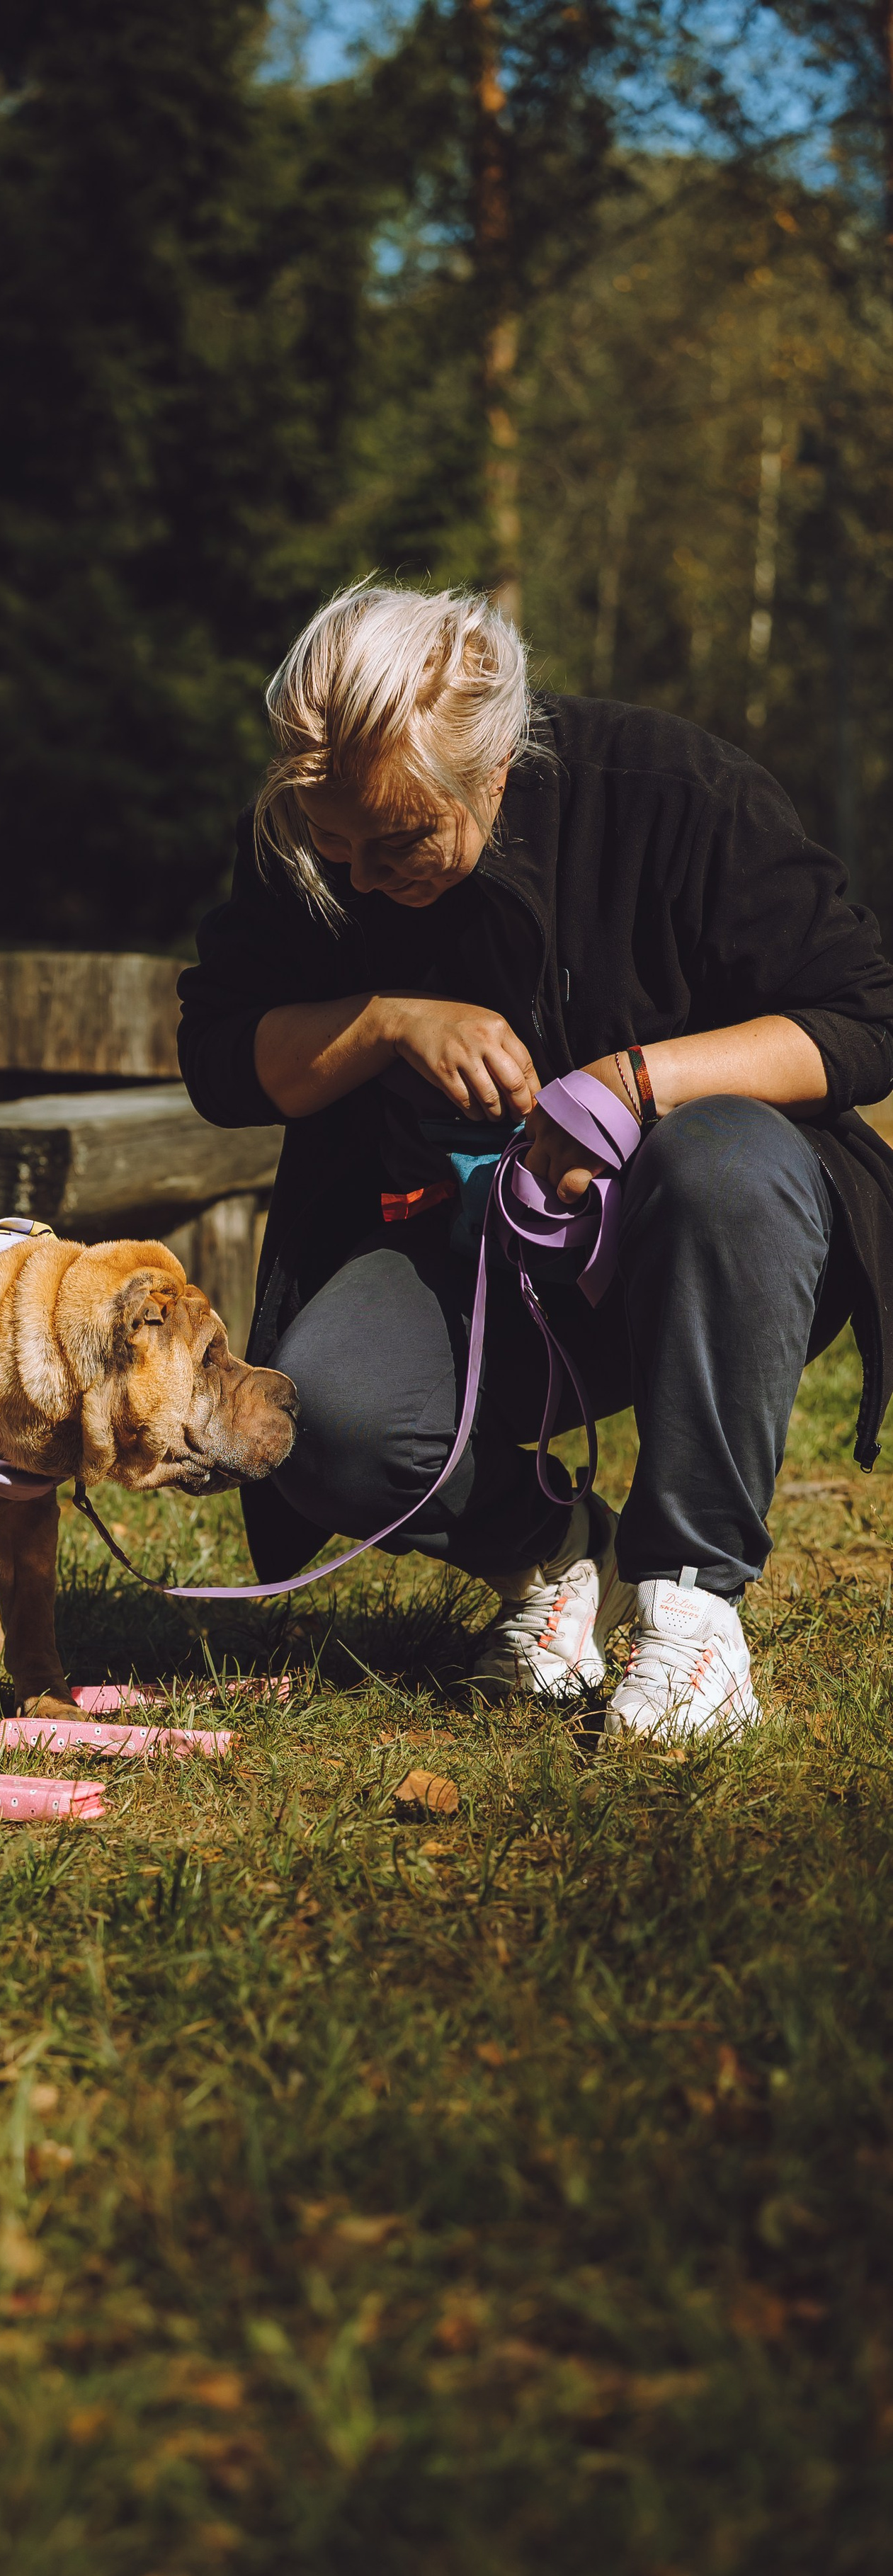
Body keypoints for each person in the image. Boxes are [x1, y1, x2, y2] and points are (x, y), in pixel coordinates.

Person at [178, 579, 893, 1740]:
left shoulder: (674, 793)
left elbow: (864, 1022)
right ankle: (559, 1557)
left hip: (715, 1248)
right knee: (325, 1417)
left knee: (718, 1153)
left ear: (497, 769)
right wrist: (386, 1022)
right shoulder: (315, 840)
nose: (360, 878)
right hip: (461, 1259)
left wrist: (637, 1083)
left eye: (401, 840)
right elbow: (219, 1060)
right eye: (334, 843)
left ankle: (693, 1611)